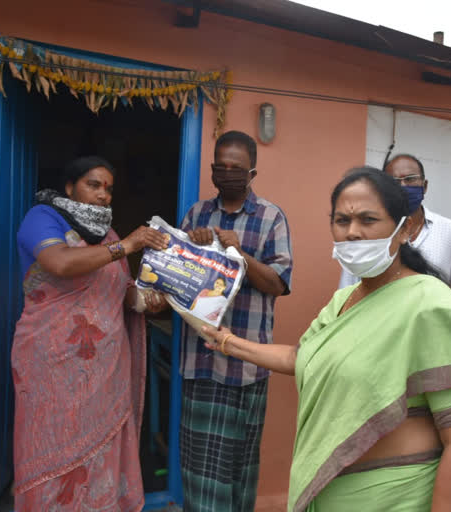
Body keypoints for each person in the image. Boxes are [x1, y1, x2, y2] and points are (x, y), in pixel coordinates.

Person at [203, 167, 451, 511]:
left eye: (368, 220)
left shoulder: (429, 306)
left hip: (400, 498)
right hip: (332, 494)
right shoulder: (343, 301)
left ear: (405, 228)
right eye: (342, 220)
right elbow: (300, 357)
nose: (352, 233)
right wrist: (228, 341)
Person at [11, 156, 168, 511]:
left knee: (101, 449)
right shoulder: (43, 218)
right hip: (50, 365)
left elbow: (121, 290)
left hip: (105, 368)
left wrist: (147, 301)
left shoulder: (107, 235)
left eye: (108, 189)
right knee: (51, 449)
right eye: (93, 185)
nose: (103, 195)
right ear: (70, 187)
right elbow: (61, 263)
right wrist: (126, 246)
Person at [177, 131, 293, 512]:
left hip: (245, 364)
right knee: (198, 470)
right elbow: (179, 279)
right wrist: (192, 248)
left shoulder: (271, 217)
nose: (226, 173)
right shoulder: (196, 214)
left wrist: (238, 253)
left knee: (237, 468)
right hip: (200, 360)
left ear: (252, 172)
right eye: (219, 167)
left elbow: (277, 284)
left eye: (236, 168)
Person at [339, 154, 451, 311]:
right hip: (378, 328)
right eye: (394, 182)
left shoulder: (449, 231)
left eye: (410, 179)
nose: (403, 186)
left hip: (431, 328)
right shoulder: (368, 233)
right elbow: (347, 292)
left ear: (425, 185)